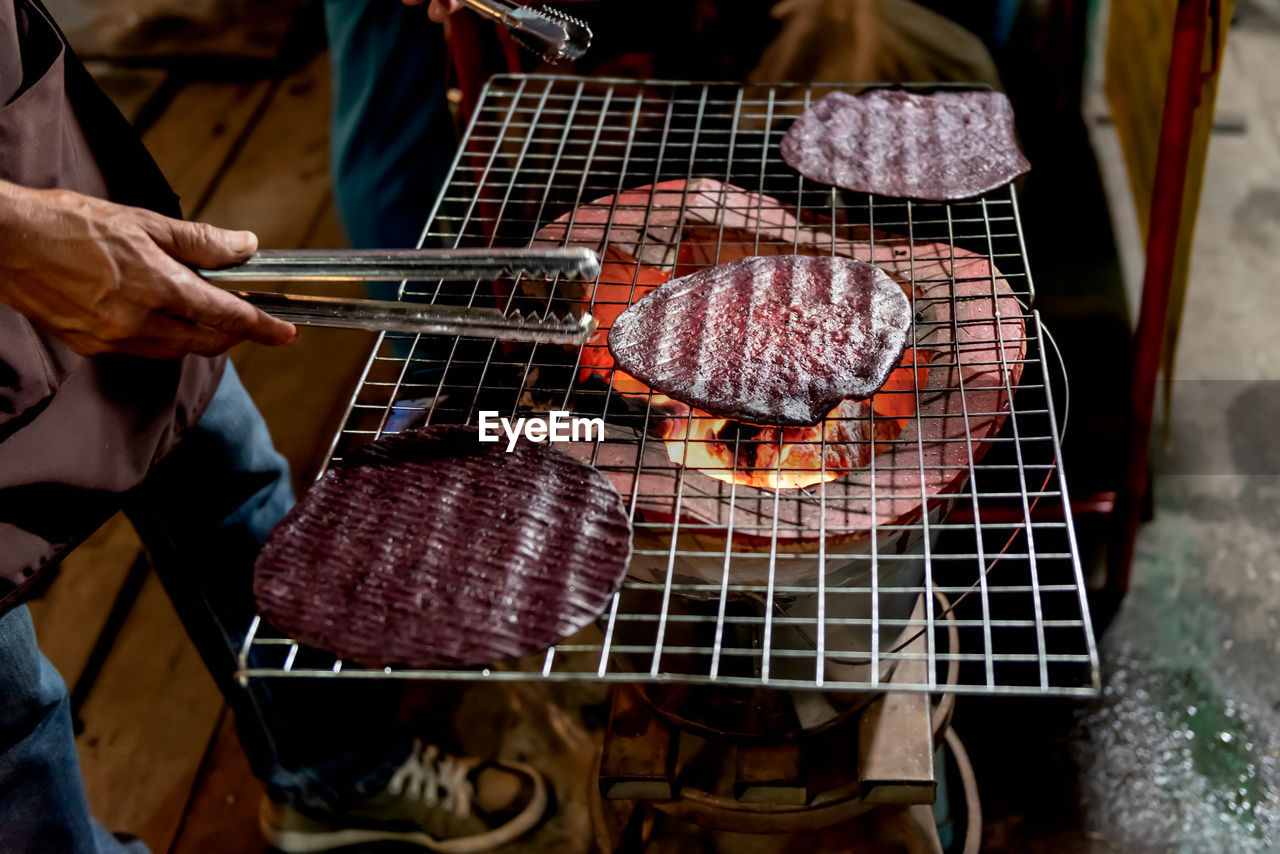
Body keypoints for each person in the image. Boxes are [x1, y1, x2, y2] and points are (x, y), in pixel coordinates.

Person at [0, 0, 546, 851]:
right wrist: (15, 237)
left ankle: (338, 770)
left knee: (227, 475)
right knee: (11, 717)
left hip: (30, 147)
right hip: (17, 226)